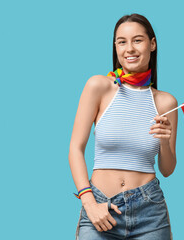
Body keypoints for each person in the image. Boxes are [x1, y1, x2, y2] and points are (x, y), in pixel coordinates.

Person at [68, 13, 178, 240]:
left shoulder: (166, 102)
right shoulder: (98, 86)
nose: (130, 48)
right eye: (122, 41)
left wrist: (164, 142)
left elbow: (167, 169)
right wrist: (89, 203)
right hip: (100, 206)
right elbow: (75, 149)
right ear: (115, 47)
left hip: (150, 212)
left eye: (137, 40)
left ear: (152, 44)